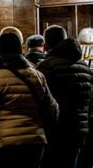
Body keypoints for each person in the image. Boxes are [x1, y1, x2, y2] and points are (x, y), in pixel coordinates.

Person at [0, 27, 59, 168]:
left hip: (5, 143)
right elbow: (53, 111)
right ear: (20, 49)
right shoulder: (37, 75)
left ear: (0, 49)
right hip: (35, 142)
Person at [37, 25, 92, 168]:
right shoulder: (84, 66)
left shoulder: (46, 66)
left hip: (56, 130)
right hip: (80, 129)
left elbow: (42, 101)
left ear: (46, 44)